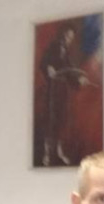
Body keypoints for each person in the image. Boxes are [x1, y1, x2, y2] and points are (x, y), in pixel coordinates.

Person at [39, 24, 90, 166]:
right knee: (50, 120)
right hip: (52, 90)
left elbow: (69, 72)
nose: (68, 39)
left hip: (62, 92)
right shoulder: (53, 47)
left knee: (61, 120)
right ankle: (46, 154)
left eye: (70, 38)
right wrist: (48, 68)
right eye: (67, 36)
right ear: (62, 34)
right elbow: (44, 62)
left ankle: (58, 152)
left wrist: (79, 80)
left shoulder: (66, 52)